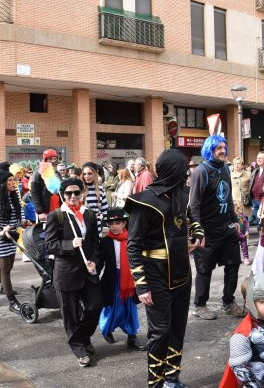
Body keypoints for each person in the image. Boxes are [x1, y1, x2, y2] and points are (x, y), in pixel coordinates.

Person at [125, 149, 199, 388]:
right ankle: (155, 383)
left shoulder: (181, 194)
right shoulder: (144, 201)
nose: (187, 173)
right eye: (183, 169)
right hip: (155, 276)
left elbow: (190, 216)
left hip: (182, 274)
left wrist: (198, 231)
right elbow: (132, 246)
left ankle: (171, 379)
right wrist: (141, 284)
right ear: (173, 171)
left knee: (178, 329)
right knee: (160, 333)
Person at [45, 177, 102, 368]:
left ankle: (83, 337)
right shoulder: (57, 216)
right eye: (68, 193)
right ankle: (79, 348)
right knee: (70, 314)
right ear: (63, 194)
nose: (73, 196)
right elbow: (50, 245)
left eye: (76, 192)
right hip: (66, 272)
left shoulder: (90, 214)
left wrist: (94, 261)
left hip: (87, 270)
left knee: (94, 306)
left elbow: (95, 242)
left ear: (82, 193)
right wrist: (70, 244)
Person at [190, 135, 243, 320]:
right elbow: (193, 205)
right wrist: (198, 231)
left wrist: (235, 219)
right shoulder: (201, 171)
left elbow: (227, 199)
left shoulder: (226, 170)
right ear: (209, 150)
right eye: (217, 148)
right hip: (207, 231)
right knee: (205, 269)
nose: (222, 150)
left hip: (226, 228)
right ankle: (200, 305)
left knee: (233, 264)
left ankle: (228, 302)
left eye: (224, 147)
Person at [99, 208, 146, 350]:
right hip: (112, 279)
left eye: (117, 223)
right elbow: (100, 261)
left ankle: (132, 337)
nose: (114, 226)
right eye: (111, 223)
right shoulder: (105, 241)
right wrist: (93, 268)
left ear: (124, 223)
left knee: (130, 308)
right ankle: (106, 330)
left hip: (130, 280)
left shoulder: (132, 238)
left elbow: (139, 257)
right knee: (111, 308)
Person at [0, 167, 25, 313]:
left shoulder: (14, 196)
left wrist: (24, 223)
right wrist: (0, 231)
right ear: (2, 183)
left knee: (6, 267)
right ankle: (12, 301)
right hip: (0, 237)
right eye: (10, 180)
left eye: (13, 180)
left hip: (12, 235)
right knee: (6, 268)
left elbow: (20, 214)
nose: (13, 183)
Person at [30, 149, 62, 223]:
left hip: (57, 207)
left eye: (55, 159)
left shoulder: (57, 173)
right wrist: (40, 212)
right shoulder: (38, 173)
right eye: (50, 159)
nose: (53, 161)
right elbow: (35, 193)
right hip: (45, 209)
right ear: (45, 160)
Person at [247, 152, 264, 229]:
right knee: (258, 222)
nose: (258, 160)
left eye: (260, 158)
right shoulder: (255, 170)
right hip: (255, 200)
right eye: (257, 158)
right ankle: (261, 239)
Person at [81, 162, 109, 236]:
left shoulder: (100, 189)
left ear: (94, 174)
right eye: (84, 174)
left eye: (89, 174)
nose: (86, 176)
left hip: (97, 227)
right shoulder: (79, 189)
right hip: (82, 226)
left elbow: (105, 210)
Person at [234, 200, 250, 265]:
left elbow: (246, 223)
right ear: (236, 208)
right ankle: (237, 258)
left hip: (244, 234)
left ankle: (246, 258)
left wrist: (247, 231)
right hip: (236, 235)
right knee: (236, 247)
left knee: (244, 246)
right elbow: (234, 227)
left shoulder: (242, 214)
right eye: (240, 207)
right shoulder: (233, 216)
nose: (241, 208)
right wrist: (240, 234)